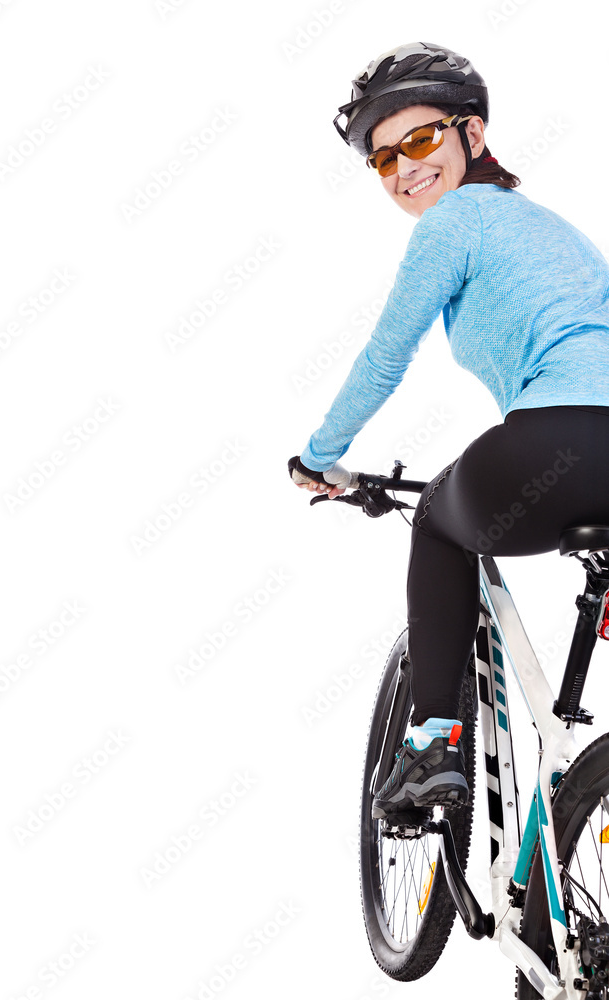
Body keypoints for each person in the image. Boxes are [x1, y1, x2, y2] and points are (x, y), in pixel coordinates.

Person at [288, 41, 609, 816]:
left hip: (555, 445)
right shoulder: (556, 231)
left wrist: (319, 458)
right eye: (382, 159)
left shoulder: (456, 218)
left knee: (436, 521)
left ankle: (430, 743)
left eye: (420, 139)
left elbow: (385, 355)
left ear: (471, 133)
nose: (403, 169)